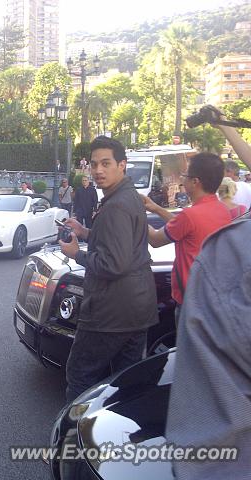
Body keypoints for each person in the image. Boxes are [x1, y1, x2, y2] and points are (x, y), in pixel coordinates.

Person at [58, 136, 158, 403]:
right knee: (125, 384)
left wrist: (76, 253)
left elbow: (114, 263)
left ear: (122, 165)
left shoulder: (116, 205)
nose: (98, 170)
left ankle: (72, 439)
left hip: (110, 313)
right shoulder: (127, 197)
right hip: (137, 310)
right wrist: (86, 232)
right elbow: (119, 243)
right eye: (94, 164)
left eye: (106, 163)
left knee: (80, 376)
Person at [165, 216, 251, 480]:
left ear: (193, 181)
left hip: (191, 304)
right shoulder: (224, 214)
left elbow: (211, 452)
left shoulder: (230, 250)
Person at [143, 152, 231, 325]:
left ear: (195, 182)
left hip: (190, 301)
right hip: (212, 296)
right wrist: (156, 209)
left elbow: (154, 239)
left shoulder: (190, 215)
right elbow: (185, 228)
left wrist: (135, 214)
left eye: (185, 175)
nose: (183, 179)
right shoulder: (221, 210)